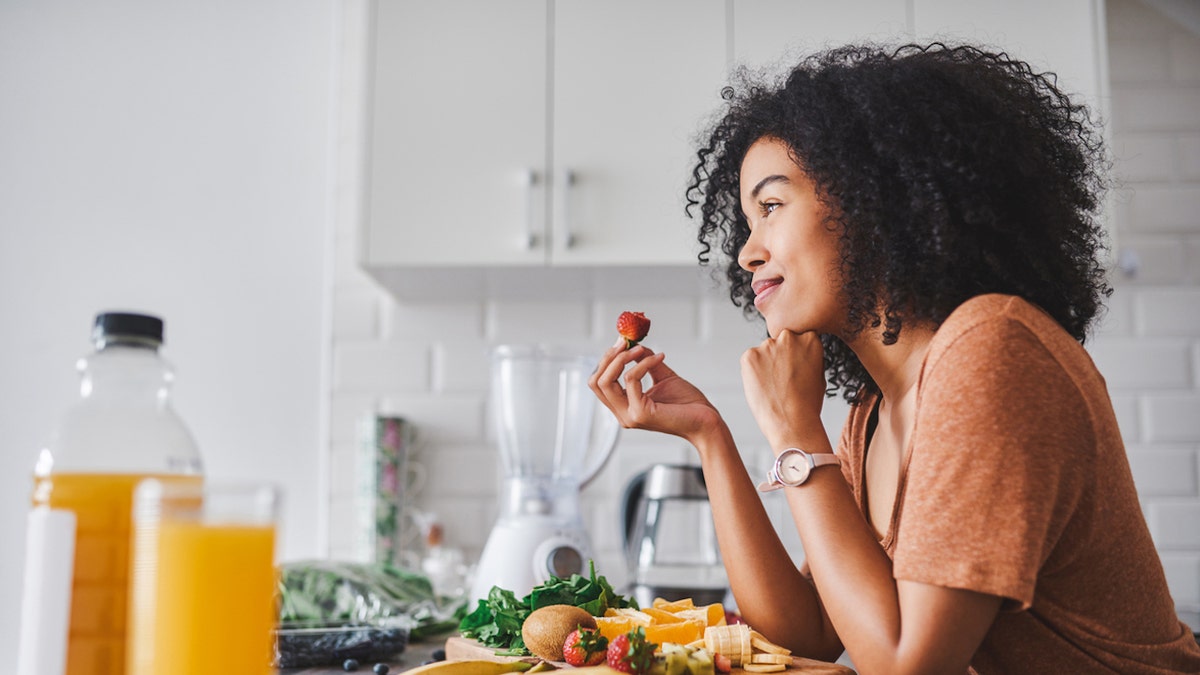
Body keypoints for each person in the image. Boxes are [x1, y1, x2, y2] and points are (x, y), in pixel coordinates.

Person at [589, 43, 1200, 674]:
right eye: (746, 222)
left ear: (871, 201)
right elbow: (811, 631)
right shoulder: (873, 412)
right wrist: (710, 437)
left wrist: (797, 435)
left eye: (770, 207)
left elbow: (908, 665)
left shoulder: (993, 349)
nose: (747, 252)